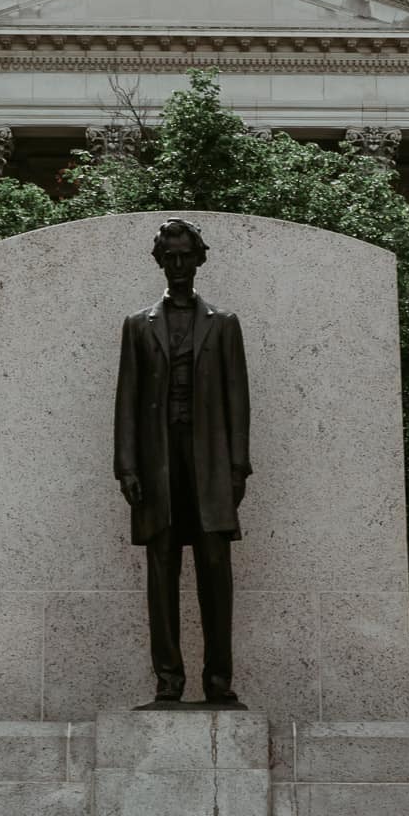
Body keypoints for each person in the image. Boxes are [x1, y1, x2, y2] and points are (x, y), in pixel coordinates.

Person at [112, 217, 251, 704]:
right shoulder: (137, 325)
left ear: (198, 259)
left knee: (215, 568)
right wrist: (126, 467)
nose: (176, 264)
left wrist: (238, 467)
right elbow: (127, 399)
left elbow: (238, 400)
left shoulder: (224, 324)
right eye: (168, 257)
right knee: (162, 568)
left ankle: (219, 682)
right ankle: (168, 682)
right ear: (159, 261)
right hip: (158, 461)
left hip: (211, 461)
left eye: (184, 256)